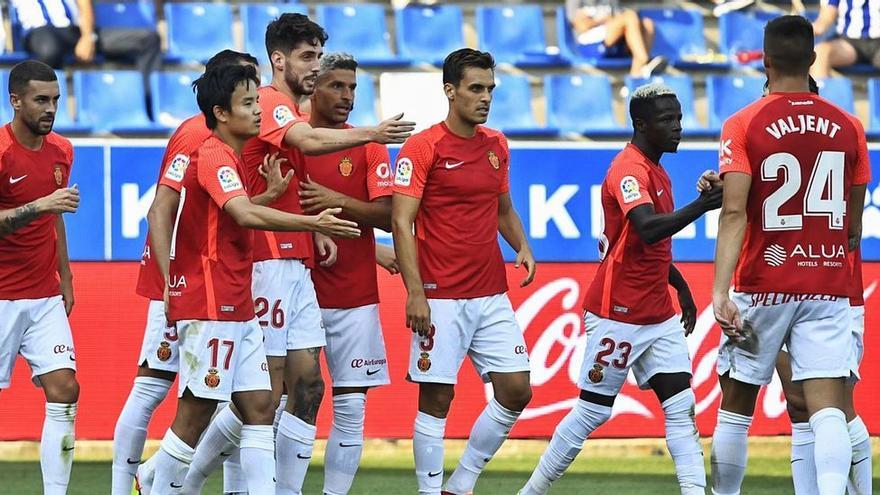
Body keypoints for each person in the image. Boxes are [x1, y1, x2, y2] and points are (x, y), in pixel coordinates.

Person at [180, 14, 414, 495]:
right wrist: (372, 133)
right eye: (307, 57)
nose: (314, 66)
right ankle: (179, 479)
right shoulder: (269, 103)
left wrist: (316, 233)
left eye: (317, 56)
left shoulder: (291, 111)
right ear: (279, 59)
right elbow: (304, 142)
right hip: (264, 265)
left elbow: (297, 189)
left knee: (307, 388)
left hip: (297, 262)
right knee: (261, 398)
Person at [143, 62, 360, 494]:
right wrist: (312, 223)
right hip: (209, 301)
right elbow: (241, 213)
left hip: (237, 301)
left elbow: (227, 215)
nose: (259, 111)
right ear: (222, 113)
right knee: (196, 412)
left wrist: (269, 197)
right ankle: (152, 483)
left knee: (261, 405)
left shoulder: (233, 156)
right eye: (248, 103)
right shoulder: (213, 153)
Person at [518, 83, 720, 495]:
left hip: (658, 313)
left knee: (681, 409)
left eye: (679, 118)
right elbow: (646, 229)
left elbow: (649, 247)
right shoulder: (629, 170)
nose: (678, 128)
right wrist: (702, 207)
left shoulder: (657, 169)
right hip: (619, 312)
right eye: (668, 120)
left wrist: (678, 287)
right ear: (641, 125)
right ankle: (531, 492)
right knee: (592, 412)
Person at [709, 15, 870, 495]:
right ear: (814, 58)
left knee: (735, 407)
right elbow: (853, 227)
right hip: (827, 283)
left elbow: (734, 211)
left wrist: (720, 291)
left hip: (765, 279)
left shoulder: (743, 123)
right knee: (827, 411)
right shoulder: (849, 125)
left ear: (765, 59)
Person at [109, 49, 263, 495]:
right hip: (186, 281)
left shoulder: (237, 140)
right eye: (247, 85)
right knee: (154, 386)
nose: (257, 96)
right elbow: (162, 208)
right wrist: (167, 279)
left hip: (215, 282)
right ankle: (127, 486)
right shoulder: (194, 136)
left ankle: (161, 477)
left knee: (229, 398)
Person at [391, 48, 536, 495]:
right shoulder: (423, 147)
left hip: (491, 293)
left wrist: (523, 246)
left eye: (490, 88)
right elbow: (400, 221)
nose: (485, 97)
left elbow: (502, 208)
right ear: (450, 91)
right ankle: (430, 491)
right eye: (476, 88)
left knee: (516, 392)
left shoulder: (497, 144)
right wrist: (415, 292)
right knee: (437, 401)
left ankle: (462, 484)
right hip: (440, 296)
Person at [293, 52, 394, 495]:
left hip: (355, 298)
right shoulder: (290, 140)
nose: (347, 97)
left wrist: (333, 200)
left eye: (352, 88)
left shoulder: (369, 145)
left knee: (351, 407)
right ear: (312, 87)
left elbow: (389, 216)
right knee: (288, 403)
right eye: (337, 86)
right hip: (298, 294)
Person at [0, 59, 80, 495]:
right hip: (1, 294)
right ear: (15, 101)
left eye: (55, 100)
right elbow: (44, 208)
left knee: (65, 388)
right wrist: (39, 207)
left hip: (44, 294)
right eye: (41, 100)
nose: (51, 109)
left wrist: (65, 276)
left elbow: (57, 215)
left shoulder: (62, 151)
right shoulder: (0, 151)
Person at [10, 0, 162, 117]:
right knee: (50, 49)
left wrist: (87, 37)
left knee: (148, 40)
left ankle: (151, 106)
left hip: (76, 32)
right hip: (40, 32)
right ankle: (41, 111)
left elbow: (84, 4)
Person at [565, 0, 665, 77]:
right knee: (629, 16)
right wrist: (604, 20)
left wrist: (608, 21)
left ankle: (636, 73)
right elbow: (581, 26)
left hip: (611, 36)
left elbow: (617, 18)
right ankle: (643, 62)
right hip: (588, 42)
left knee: (647, 24)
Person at [811, 0, 880, 78]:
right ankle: (822, 89)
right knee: (820, 54)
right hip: (849, 43)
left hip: (878, 42)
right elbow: (823, 23)